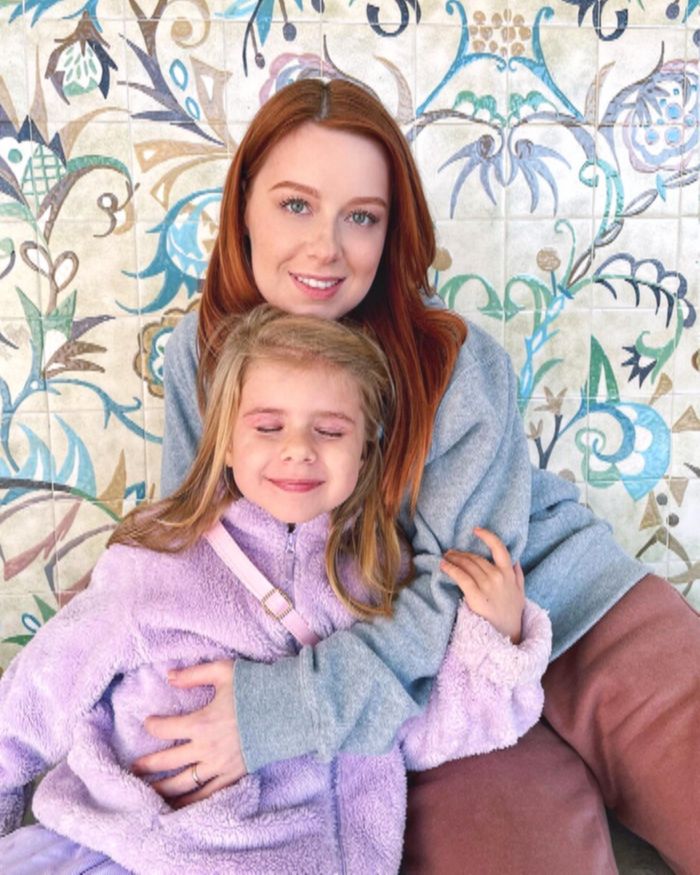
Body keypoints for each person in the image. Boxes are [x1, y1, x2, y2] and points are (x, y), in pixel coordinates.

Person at [148, 78, 700, 874]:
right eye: (296, 205)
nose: (325, 248)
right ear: (242, 210)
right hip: (420, 698)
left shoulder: (453, 357)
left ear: (391, 229)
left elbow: (457, 585)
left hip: (569, 608)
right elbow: (190, 558)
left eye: (361, 217)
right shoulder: (199, 357)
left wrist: (284, 709)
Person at [0, 306, 551, 874]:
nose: (298, 448)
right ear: (226, 441)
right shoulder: (159, 558)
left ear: (365, 451)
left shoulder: (381, 581)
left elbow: (428, 731)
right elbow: (40, 691)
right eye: (268, 427)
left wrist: (498, 641)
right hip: (127, 849)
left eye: (330, 430)